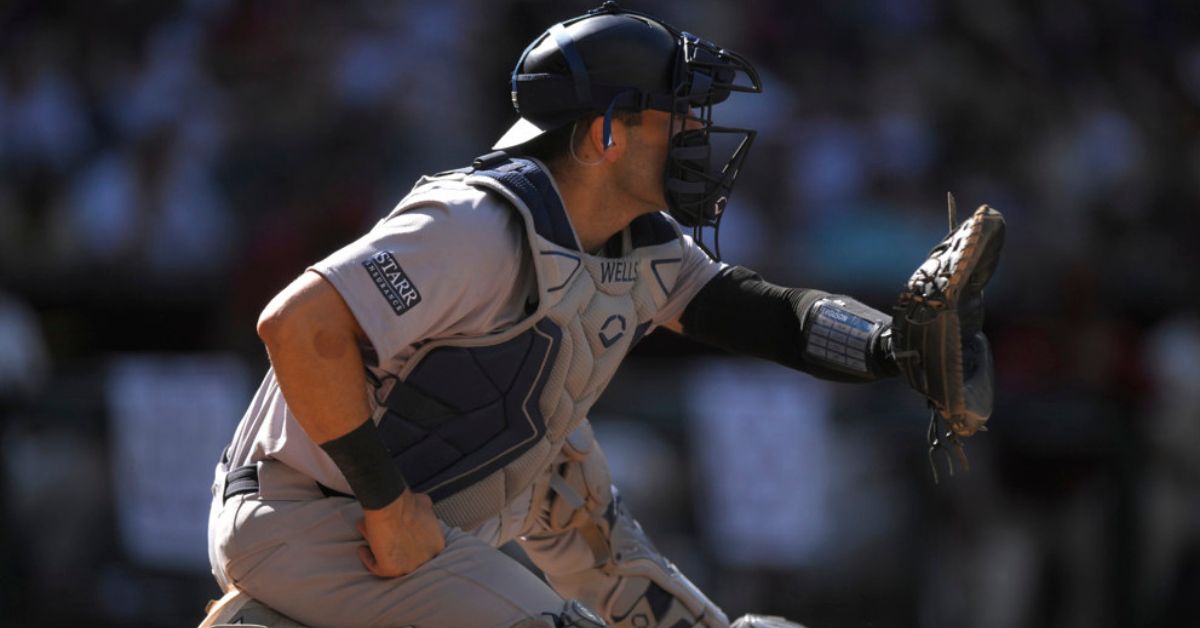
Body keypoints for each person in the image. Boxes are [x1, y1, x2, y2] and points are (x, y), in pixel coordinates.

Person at [205, 2, 1001, 627]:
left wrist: (894, 348)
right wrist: (385, 503)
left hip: (407, 516)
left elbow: (764, 315)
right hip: (311, 515)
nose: (699, 133)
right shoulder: (474, 225)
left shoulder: (635, 245)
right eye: (677, 114)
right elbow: (298, 326)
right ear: (606, 134)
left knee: (566, 476)